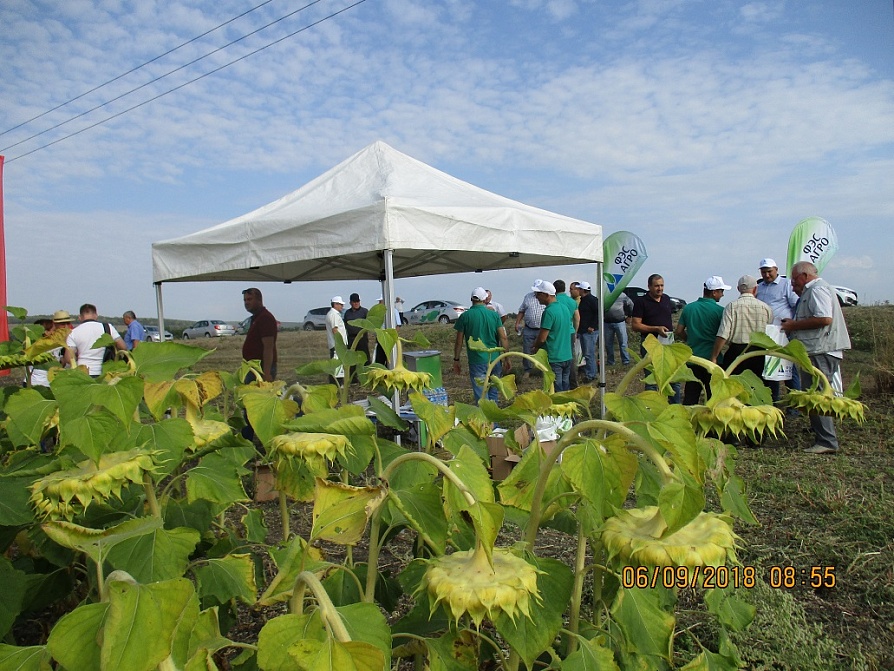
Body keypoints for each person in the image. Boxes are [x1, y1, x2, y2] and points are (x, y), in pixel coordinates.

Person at [781, 261, 852, 455]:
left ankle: (827, 440)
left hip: (821, 348)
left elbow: (824, 318)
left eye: (795, 280)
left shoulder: (817, 290)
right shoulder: (814, 290)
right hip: (817, 348)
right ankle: (820, 431)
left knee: (817, 395)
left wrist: (793, 326)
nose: (794, 284)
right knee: (813, 393)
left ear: (804, 276)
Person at [674, 276, 730, 405]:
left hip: (694, 359)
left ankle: (687, 421)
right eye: (721, 291)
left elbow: (679, 331)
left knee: (690, 396)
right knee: (713, 398)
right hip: (713, 360)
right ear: (714, 292)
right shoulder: (720, 311)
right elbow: (724, 335)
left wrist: (690, 338)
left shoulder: (689, 308)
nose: (722, 294)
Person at [453, 287, 511, 402]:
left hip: (477, 360)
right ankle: (493, 419)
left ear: (471, 299)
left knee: (481, 396)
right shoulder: (494, 315)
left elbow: (459, 341)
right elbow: (503, 337)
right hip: (495, 359)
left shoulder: (465, 316)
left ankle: (485, 419)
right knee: (493, 393)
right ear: (485, 299)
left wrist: (456, 359)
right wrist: (507, 358)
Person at [756, 257, 802, 400]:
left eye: (769, 271)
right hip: (767, 334)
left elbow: (796, 305)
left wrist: (792, 324)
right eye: (763, 272)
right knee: (770, 369)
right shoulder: (760, 287)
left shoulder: (786, 284)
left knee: (788, 368)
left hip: (783, 333)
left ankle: (794, 403)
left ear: (776, 270)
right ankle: (772, 401)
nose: (766, 275)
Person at [710, 275, 773, 379]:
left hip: (736, 353)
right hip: (759, 353)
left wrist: (714, 356)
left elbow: (723, 334)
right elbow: (770, 333)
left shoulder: (731, 306)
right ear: (755, 289)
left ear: (738, 289)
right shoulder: (766, 308)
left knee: (735, 387)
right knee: (756, 387)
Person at [631, 274, 681, 403]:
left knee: (673, 376)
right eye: (656, 286)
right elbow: (635, 325)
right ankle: (652, 407)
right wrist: (655, 329)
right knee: (652, 378)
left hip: (668, 342)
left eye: (662, 285)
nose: (660, 288)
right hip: (650, 344)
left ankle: (674, 405)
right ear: (649, 287)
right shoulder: (641, 302)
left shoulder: (666, 299)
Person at [531, 280, 573, 392]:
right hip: (567, 355)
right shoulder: (564, 308)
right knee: (565, 387)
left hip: (554, 357)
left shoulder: (549, 312)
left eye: (538, 294)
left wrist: (535, 347)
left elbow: (542, 337)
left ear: (546, 295)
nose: (536, 297)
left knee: (555, 389)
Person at [62, 304, 126, 376]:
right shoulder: (108, 327)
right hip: (105, 373)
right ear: (96, 315)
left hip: (83, 373)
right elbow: (122, 346)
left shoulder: (73, 332)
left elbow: (68, 358)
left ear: (80, 317)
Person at [242, 287, 278, 382]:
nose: (246, 303)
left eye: (249, 299)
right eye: (245, 300)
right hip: (253, 367)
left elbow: (268, 347)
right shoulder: (256, 318)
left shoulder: (265, 318)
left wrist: (266, 373)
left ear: (259, 300)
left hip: (261, 368)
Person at [514, 281, 547, 375]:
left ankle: (543, 369)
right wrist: (517, 323)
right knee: (527, 350)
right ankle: (527, 370)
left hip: (542, 329)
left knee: (542, 350)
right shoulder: (528, 297)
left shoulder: (546, 297)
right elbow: (522, 310)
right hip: (529, 328)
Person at [554, 280, 581, 387]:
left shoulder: (554, 300)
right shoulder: (572, 302)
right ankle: (572, 381)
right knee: (570, 357)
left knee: (557, 357)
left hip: (558, 331)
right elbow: (577, 318)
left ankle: (558, 382)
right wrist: (575, 332)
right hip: (570, 331)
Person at [575, 281, 599, 382]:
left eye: (579, 289)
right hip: (584, 331)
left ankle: (591, 374)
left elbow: (599, 313)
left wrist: (592, 326)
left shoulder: (592, 300)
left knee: (589, 354)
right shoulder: (584, 300)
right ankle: (590, 372)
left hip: (589, 332)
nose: (578, 291)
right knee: (587, 353)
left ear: (583, 290)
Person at [603, 292, 633, 366]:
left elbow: (631, 304)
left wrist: (629, 316)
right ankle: (610, 362)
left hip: (620, 322)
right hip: (607, 322)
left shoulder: (622, 295)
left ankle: (626, 361)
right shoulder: (604, 294)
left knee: (623, 342)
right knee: (608, 343)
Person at [343, 293, 370, 366]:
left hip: (362, 339)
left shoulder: (364, 311)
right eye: (354, 302)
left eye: (357, 302)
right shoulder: (347, 313)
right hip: (351, 339)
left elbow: (369, 324)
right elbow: (345, 324)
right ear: (350, 303)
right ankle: (353, 376)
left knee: (365, 358)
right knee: (351, 359)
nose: (356, 303)